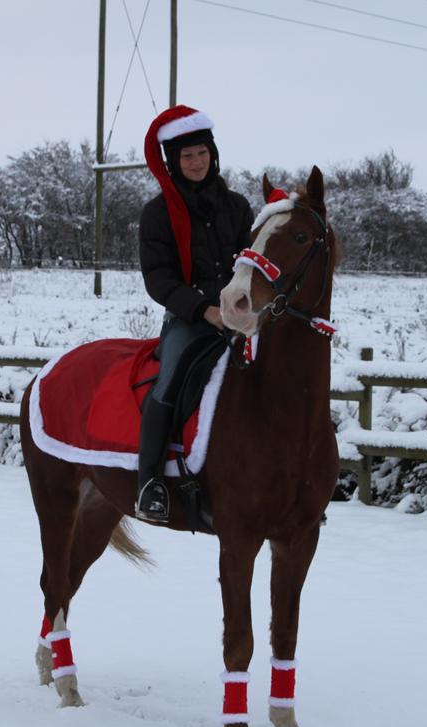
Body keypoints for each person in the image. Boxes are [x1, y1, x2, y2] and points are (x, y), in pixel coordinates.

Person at [135, 105, 253, 521]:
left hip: (239, 315)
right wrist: (203, 309)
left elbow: (249, 265)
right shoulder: (158, 213)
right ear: (174, 162)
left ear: (212, 153)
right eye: (187, 156)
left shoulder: (238, 206)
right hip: (188, 320)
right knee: (168, 383)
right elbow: (158, 279)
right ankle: (149, 481)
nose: (196, 162)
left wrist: (240, 306)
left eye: (202, 153)